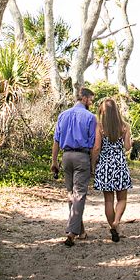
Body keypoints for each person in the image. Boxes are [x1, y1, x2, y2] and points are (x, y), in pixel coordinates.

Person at [51, 87, 96, 247]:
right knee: (79, 194)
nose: (91, 102)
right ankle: (71, 232)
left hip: (66, 156)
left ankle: (80, 230)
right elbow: (92, 145)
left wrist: (54, 161)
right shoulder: (91, 117)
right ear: (84, 98)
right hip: (82, 157)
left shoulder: (63, 115)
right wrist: (93, 165)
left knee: (72, 194)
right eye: (91, 99)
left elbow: (56, 140)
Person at [92, 98, 132, 242]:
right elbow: (127, 147)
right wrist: (129, 141)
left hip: (105, 166)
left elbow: (97, 147)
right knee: (122, 199)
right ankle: (116, 222)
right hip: (120, 165)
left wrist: (93, 164)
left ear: (103, 112)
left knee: (108, 201)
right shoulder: (125, 126)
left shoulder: (100, 127)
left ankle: (113, 227)